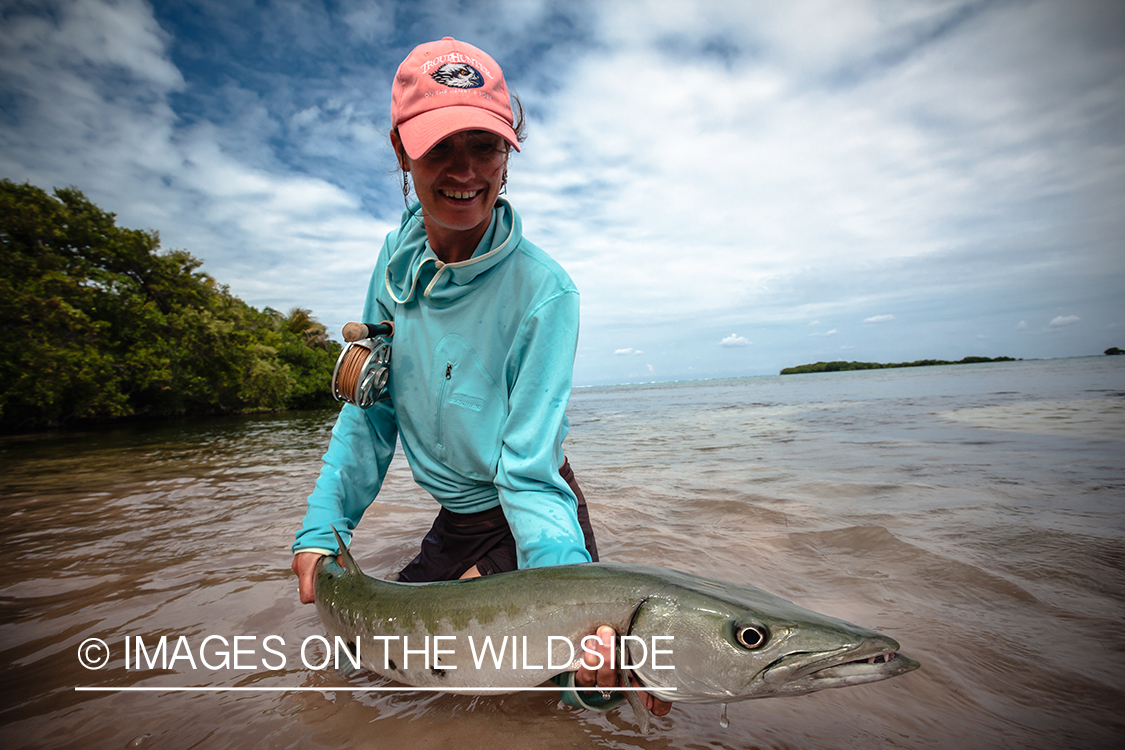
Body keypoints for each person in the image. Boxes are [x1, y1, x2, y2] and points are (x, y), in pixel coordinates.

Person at [290, 37, 670, 717]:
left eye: (484, 145)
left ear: (508, 151)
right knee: (372, 669)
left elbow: (527, 469)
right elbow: (370, 410)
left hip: (525, 504)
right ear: (401, 151)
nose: (464, 171)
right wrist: (322, 526)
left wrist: (561, 594)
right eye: (439, 147)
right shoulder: (392, 258)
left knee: (573, 690)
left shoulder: (546, 294)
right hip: (458, 514)